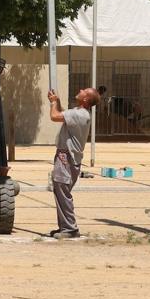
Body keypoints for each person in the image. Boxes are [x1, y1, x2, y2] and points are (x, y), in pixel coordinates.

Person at [47, 86, 100, 239]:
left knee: (63, 191)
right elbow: (63, 114)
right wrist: (57, 101)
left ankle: (70, 228)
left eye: (85, 91)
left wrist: (52, 103)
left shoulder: (80, 114)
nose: (81, 89)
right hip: (68, 157)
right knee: (60, 191)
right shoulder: (79, 113)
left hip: (67, 157)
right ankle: (65, 227)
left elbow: (55, 116)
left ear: (86, 99)